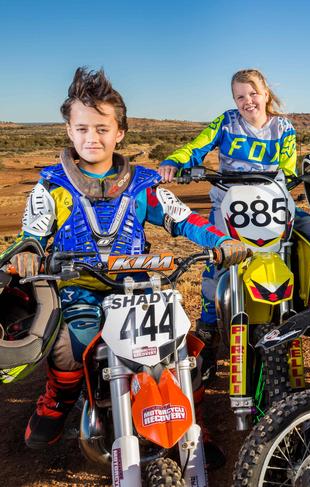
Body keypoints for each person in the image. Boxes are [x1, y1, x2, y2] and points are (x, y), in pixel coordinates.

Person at [7, 67, 247, 467]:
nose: (92, 138)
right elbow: (31, 233)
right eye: (82, 128)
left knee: (182, 349)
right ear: (69, 130)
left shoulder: (140, 184)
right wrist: (25, 253)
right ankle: (60, 398)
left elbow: (184, 218)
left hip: (137, 287)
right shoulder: (51, 186)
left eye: (102, 129)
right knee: (71, 347)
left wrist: (221, 241)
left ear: (120, 133)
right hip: (76, 287)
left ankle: (192, 424)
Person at [158, 69, 310, 369]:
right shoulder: (226, 122)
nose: (247, 101)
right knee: (218, 259)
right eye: (240, 96)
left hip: (273, 200)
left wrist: (294, 177)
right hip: (229, 201)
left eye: (253, 94)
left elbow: (288, 169)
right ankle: (209, 328)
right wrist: (176, 161)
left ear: (265, 94)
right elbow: (197, 147)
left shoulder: (283, 128)